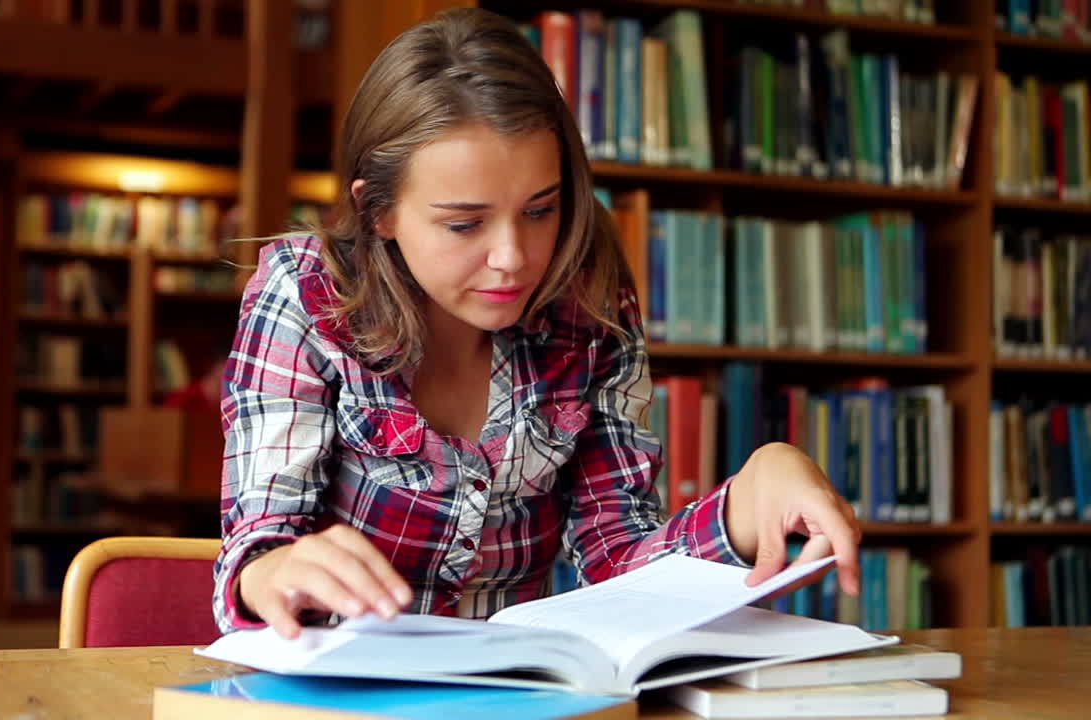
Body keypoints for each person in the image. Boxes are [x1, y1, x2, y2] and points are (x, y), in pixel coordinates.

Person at [214, 7, 860, 640]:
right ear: (378, 210)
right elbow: (259, 544)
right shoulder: (304, 295)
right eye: (464, 223)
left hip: (525, 696)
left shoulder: (589, 300)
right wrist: (269, 572)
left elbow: (618, 564)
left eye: (540, 210)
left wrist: (743, 507)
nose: (513, 258)